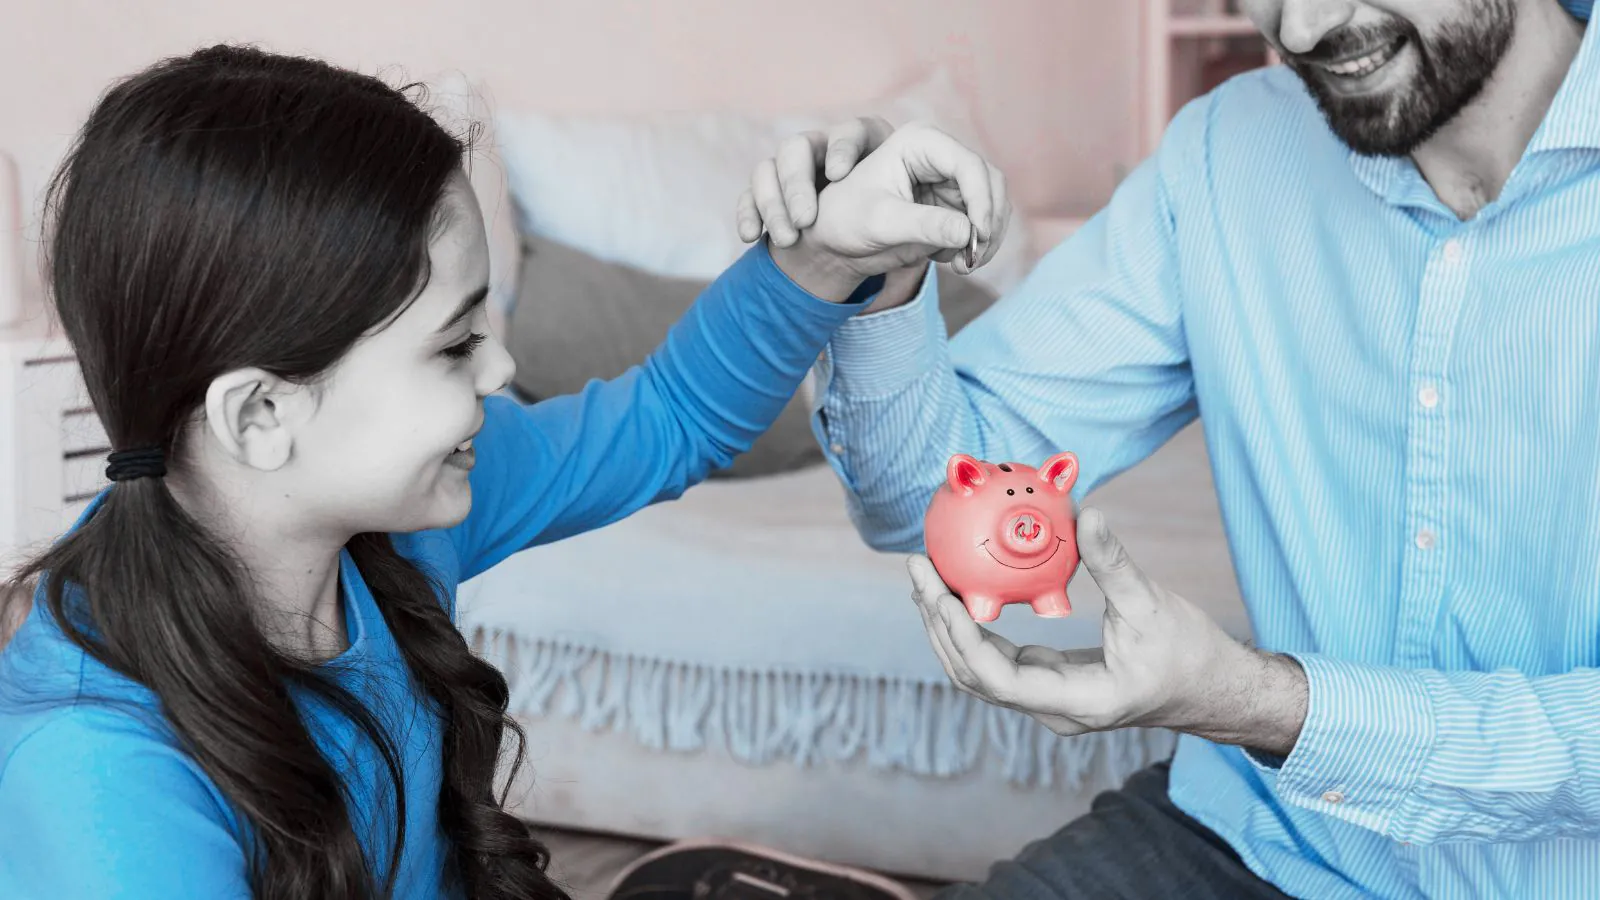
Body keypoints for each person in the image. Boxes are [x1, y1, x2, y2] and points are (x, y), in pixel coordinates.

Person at [0, 45, 1010, 899]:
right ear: (262, 413)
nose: (502, 369)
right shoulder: (98, 775)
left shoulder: (381, 523)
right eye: (453, 347)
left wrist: (826, 258)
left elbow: (666, 420)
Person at [713, 0, 1600, 898]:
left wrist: (1263, 704)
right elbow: (929, 503)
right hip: (1271, 839)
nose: (1298, 31)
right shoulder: (1228, 150)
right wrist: (876, 277)